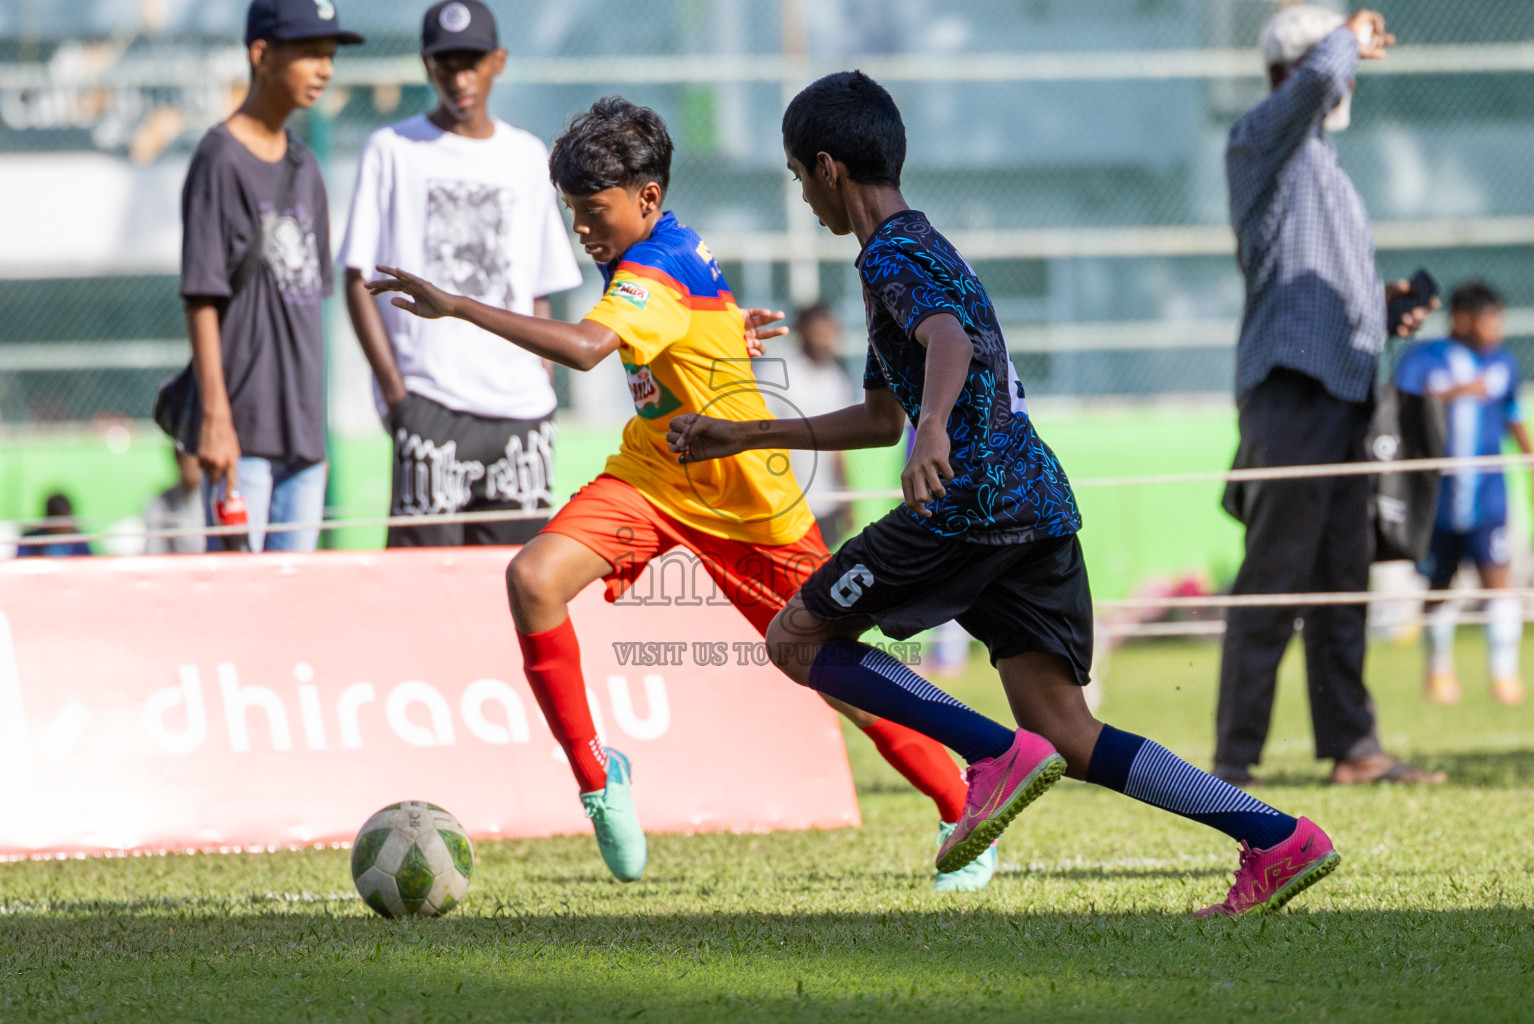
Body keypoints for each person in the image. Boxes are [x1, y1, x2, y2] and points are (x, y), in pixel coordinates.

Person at [669, 70, 1341, 917]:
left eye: (801, 176)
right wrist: (747, 434)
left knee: (797, 639)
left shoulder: (891, 255)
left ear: (829, 166)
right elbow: (883, 419)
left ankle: (991, 753)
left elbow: (946, 343)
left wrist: (940, 429)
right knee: (1067, 728)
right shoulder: (918, 249)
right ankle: (1279, 837)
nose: (802, 194)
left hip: (971, 497)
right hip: (1035, 498)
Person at [367, 97, 985, 891]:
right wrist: (727, 332)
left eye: (594, 213)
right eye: (575, 215)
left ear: (647, 199)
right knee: (532, 579)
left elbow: (592, 348)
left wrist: (456, 307)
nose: (584, 231)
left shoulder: (651, 264)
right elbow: (685, 315)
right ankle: (598, 778)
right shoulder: (660, 245)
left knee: (834, 677)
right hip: (658, 471)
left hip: (748, 499)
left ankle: (957, 800)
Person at [1215, 6, 1443, 786]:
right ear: (1292, 70)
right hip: (1291, 393)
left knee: (1345, 581)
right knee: (1273, 582)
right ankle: (1233, 760)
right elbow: (1315, 77)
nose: (1344, 79)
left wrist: (1388, 310)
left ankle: (1352, 749)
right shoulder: (1260, 142)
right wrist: (1348, 35)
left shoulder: (1330, 173)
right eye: (1329, 62)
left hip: (1345, 393)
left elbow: (1318, 292)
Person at [339, 0, 584, 547]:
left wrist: (541, 379)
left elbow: (542, 285)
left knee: (517, 587)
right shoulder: (392, 150)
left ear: (498, 61)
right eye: (446, 64)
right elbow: (356, 278)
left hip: (521, 414)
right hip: (430, 406)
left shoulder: (525, 154)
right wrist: (397, 396)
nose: (460, 78)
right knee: (423, 590)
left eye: (472, 61)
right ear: (427, 66)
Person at [180, 0, 363, 552]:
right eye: (309, 53)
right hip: (241, 438)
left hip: (304, 442)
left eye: (329, 55)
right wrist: (216, 419)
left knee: (294, 611)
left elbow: (311, 311)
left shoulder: (306, 167)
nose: (325, 68)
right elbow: (201, 297)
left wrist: (319, 437)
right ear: (261, 54)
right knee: (239, 610)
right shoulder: (220, 157)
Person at [1395, 282, 1528, 707]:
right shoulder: (1425, 358)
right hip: (1437, 495)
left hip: (1488, 493)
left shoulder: (1502, 363)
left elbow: (1512, 414)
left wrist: (1528, 454)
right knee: (1439, 585)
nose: (1497, 327)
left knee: (1497, 580)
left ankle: (1504, 676)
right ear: (1462, 317)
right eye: (1490, 317)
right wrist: (1454, 395)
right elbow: (1400, 407)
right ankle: (1438, 671)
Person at [772, 304, 858, 549]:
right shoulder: (779, 374)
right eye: (820, 331)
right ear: (803, 332)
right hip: (788, 503)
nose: (827, 338)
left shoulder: (836, 380)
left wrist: (847, 500)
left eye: (830, 331)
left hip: (827, 503)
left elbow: (839, 448)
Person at [144, 449, 207, 554]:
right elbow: (154, 551)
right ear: (179, 461)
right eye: (189, 457)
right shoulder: (161, 503)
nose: (194, 464)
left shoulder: (214, 499)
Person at [18, 493, 92, 558]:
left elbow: (91, 563)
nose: (63, 525)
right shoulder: (31, 540)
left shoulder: (80, 540)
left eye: (66, 517)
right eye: (59, 518)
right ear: (48, 518)